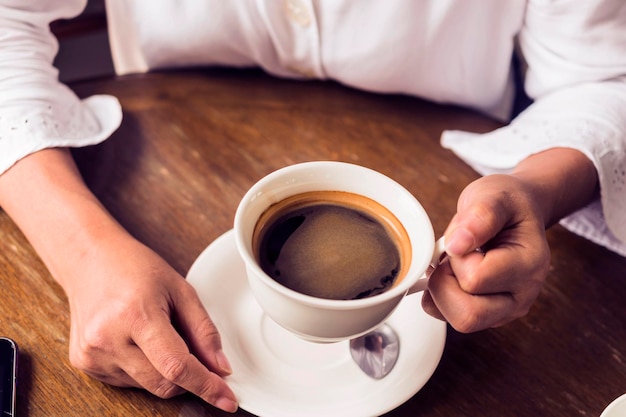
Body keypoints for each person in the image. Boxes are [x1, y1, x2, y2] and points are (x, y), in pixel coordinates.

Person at [1, 0, 624, 413]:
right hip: (162, 158)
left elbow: (603, 81)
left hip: (445, 171)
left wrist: (538, 188)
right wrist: (82, 250)